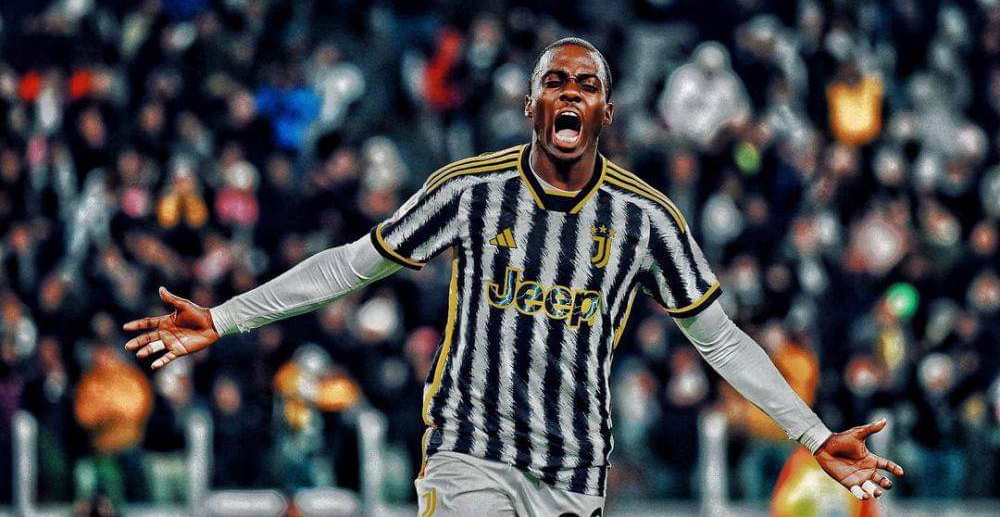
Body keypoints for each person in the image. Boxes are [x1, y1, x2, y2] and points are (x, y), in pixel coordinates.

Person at [124, 38, 904, 514]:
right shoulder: (470, 192)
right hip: (471, 450)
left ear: (606, 113)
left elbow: (721, 339)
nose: (570, 94)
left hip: (573, 471)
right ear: (531, 105)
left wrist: (813, 434)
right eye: (556, 81)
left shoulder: (647, 220)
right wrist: (225, 316)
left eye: (587, 85)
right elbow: (351, 265)